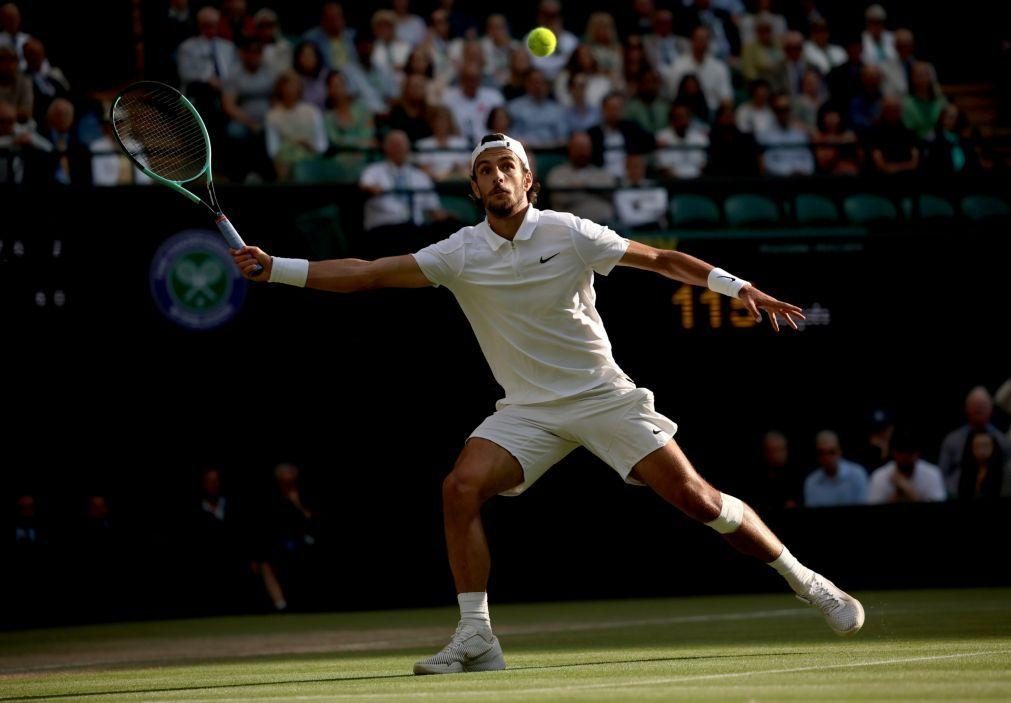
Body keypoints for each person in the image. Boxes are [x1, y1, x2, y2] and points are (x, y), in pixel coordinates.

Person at [231, 130, 865, 675]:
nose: (496, 175)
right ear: (475, 190)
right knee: (460, 489)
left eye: (507, 165)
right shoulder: (459, 252)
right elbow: (368, 272)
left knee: (698, 500)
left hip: (602, 397)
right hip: (527, 411)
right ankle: (477, 636)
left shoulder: (571, 233)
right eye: (484, 170)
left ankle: (807, 581)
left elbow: (663, 259)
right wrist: (277, 268)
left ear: (527, 180)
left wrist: (739, 286)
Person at [866, 429, 945, 504]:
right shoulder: (880, 476)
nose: (907, 457)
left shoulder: (932, 474)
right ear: (894, 452)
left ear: (917, 453)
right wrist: (898, 493)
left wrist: (908, 490)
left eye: (911, 452)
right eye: (903, 452)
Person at [804, 430, 868, 507]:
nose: (827, 458)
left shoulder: (857, 474)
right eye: (822, 453)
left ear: (839, 451)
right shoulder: (811, 482)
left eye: (831, 452)